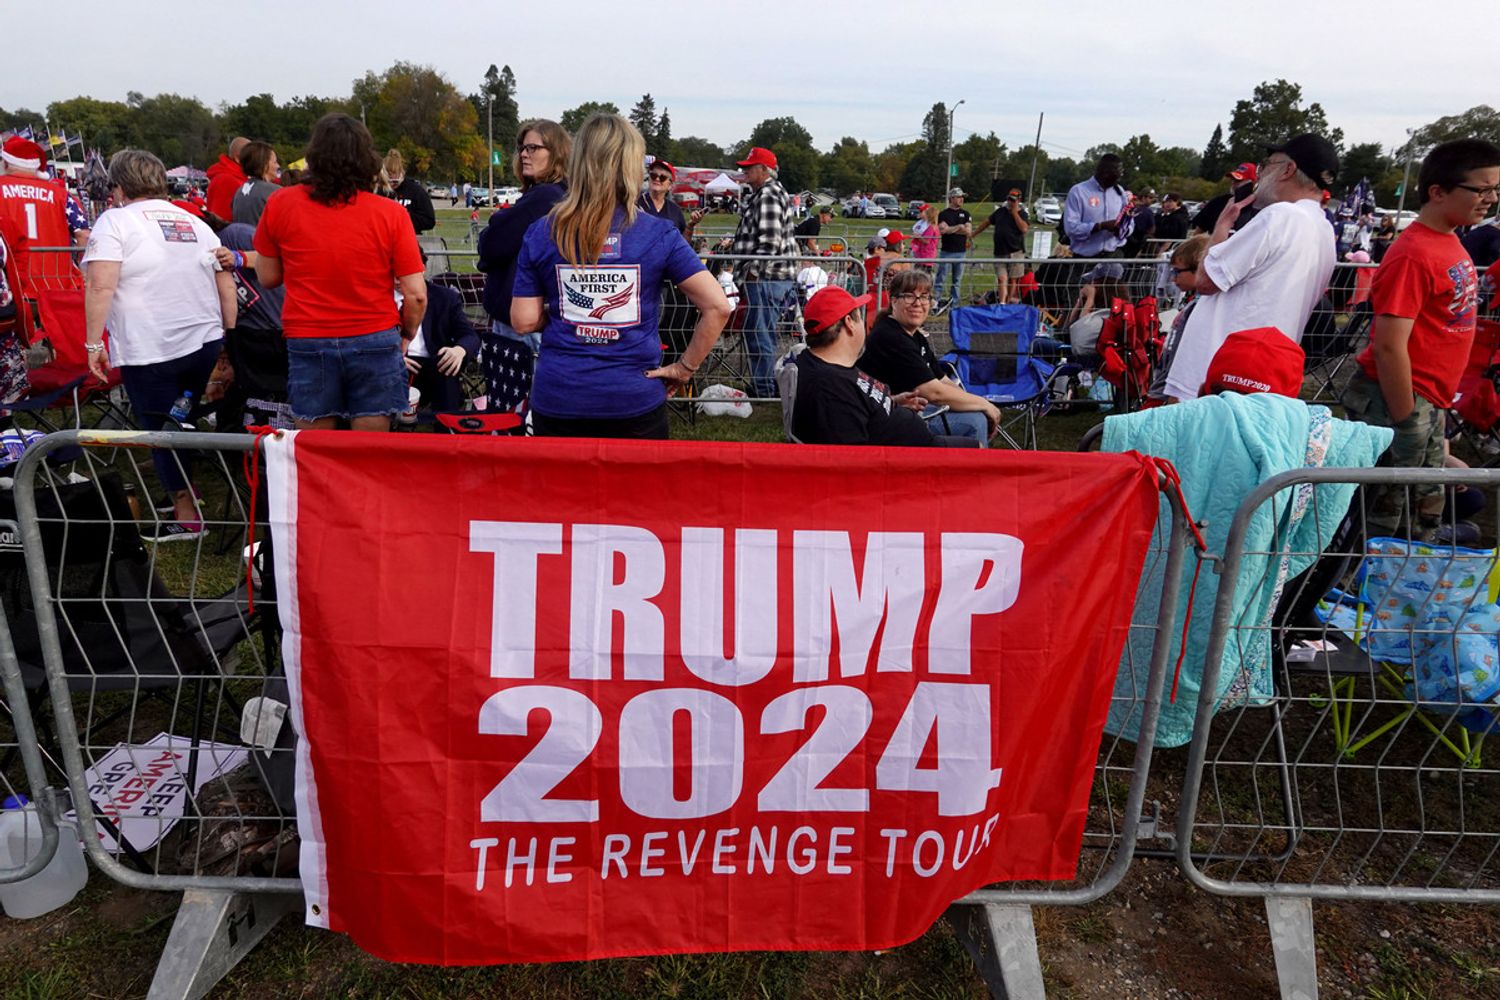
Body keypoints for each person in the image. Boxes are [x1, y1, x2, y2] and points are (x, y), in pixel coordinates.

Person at [510, 113, 731, 440]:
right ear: (630, 167)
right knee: (638, 493)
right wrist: (684, 369)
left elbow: (523, 320)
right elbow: (718, 306)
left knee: (563, 493)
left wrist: (567, 314)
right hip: (633, 400)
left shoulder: (542, 232)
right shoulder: (659, 234)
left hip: (560, 398)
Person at [1342, 139, 1500, 538]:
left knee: (1424, 505)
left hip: (1429, 400)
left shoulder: (1451, 242)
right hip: (1400, 400)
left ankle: (1407, 572)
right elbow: (1389, 344)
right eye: (1481, 189)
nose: (1491, 199)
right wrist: (1406, 416)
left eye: (1496, 189)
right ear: (1438, 192)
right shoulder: (1413, 253)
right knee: (1385, 509)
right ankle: (1360, 585)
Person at [81, 149, 237, 541]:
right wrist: (227, 335)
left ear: (118, 187)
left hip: (153, 344)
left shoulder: (115, 221)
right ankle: (187, 490)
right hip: (201, 340)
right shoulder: (193, 221)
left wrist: (91, 343)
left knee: (159, 427)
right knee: (180, 415)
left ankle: (186, 514)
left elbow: (101, 284)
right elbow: (224, 282)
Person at [252, 113, 427, 431]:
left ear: (314, 157)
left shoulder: (280, 203)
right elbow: (416, 294)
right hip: (375, 335)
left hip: (308, 335)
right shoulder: (391, 213)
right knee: (369, 452)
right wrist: (407, 334)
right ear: (367, 160)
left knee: (317, 450)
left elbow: (267, 276)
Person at [1161, 134, 1340, 401]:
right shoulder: (1323, 228)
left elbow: (1206, 282)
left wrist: (1221, 227)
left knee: (1189, 440)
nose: (1261, 174)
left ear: (1288, 170)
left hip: (1218, 365)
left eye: (1267, 165)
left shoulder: (1279, 216)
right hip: (1263, 369)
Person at [791, 285, 969, 447]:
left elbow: (857, 406)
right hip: (913, 458)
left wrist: (893, 401)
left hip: (904, 427)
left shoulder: (830, 366)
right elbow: (852, 461)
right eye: (860, 317)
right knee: (976, 437)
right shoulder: (829, 387)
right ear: (849, 323)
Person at [476, 119, 571, 411]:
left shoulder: (545, 196)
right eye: (522, 148)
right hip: (529, 317)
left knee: (517, 410)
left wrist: (495, 223)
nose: (524, 154)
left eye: (533, 147)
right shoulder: (554, 194)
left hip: (524, 322)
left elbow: (491, 246)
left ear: (555, 152)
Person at [859, 268, 1000, 445]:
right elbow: (934, 392)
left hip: (912, 409)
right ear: (894, 301)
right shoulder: (890, 337)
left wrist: (974, 402)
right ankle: (973, 470)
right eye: (909, 296)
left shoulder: (914, 335)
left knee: (974, 412)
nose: (918, 303)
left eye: (924, 296)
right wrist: (985, 404)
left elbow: (942, 380)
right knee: (974, 422)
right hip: (890, 418)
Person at [729, 145, 799, 398]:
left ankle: (765, 388)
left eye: (749, 168)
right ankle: (763, 384)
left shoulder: (768, 195)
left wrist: (752, 273)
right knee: (758, 331)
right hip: (770, 276)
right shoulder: (767, 193)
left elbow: (770, 242)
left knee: (760, 333)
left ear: (764, 170)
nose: (744, 172)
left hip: (767, 277)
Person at [0, 136, 91, 292]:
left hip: (12, 287)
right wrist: (84, 273)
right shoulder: (61, 194)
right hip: (56, 285)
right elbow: (83, 234)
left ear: (6, 163)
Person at [404, 270, 480, 414]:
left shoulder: (445, 297)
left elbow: (470, 335)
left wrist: (459, 350)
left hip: (435, 362)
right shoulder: (378, 297)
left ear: (421, 269)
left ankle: (448, 428)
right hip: (394, 362)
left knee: (447, 365)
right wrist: (390, 357)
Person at [1146, 234, 1211, 403]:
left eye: (1177, 271)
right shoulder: (1192, 304)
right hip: (1164, 386)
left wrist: (1174, 395)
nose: (1173, 278)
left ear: (1199, 268)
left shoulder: (1202, 309)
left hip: (1173, 393)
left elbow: (1188, 356)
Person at [1063, 154, 1129, 259]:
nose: (1122, 174)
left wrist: (1122, 229)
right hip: (1085, 259)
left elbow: (1130, 222)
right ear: (1105, 173)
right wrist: (1100, 226)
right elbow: (1071, 229)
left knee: (1116, 271)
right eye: (1119, 171)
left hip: (1114, 255)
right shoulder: (1078, 191)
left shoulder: (1120, 192)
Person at [972, 187, 1030, 303]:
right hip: (1000, 251)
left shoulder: (1022, 214)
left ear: (1019, 200)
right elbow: (986, 222)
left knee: (1013, 280)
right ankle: (1002, 302)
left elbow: (1024, 229)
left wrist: (1014, 213)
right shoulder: (1000, 211)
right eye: (1009, 199)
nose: (1010, 202)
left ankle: (1007, 302)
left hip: (1015, 252)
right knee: (1001, 278)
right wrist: (974, 234)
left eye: (1013, 200)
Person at [1192, 163, 1259, 235]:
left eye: (1238, 181)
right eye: (1233, 180)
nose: (1233, 183)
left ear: (1253, 183)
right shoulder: (1217, 203)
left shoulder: (1259, 206)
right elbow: (1198, 232)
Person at [934, 187, 972, 312]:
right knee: (941, 278)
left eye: (962, 197)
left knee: (957, 280)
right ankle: (936, 302)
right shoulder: (943, 214)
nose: (961, 199)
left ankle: (954, 304)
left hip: (961, 252)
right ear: (952, 198)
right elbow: (943, 230)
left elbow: (968, 231)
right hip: (946, 251)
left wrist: (953, 229)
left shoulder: (966, 214)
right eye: (959, 197)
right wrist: (959, 227)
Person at [639, 159, 700, 236]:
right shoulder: (635, 204)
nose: (657, 179)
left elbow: (682, 244)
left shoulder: (675, 211)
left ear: (670, 185)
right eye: (653, 175)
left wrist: (690, 226)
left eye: (662, 178)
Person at [383, 149, 435, 234]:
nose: (392, 179)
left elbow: (429, 221)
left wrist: (403, 215)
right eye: (388, 175)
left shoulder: (415, 191)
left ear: (402, 171)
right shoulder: (379, 192)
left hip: (409, 238)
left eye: (395, 173)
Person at [231, 140, 280, 226]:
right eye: (275, 162)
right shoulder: (275, 192)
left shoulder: (239, 191)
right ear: (264, 165)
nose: (278, 166)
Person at [206, 137, 249, 219]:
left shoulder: (237, 177)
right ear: (238, 159)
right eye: (252, 156)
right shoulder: (226, 180)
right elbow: (220, 220)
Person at [1122, 188, 1157, 258]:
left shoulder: (1128, 207)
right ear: (1143, 197)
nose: (1152, 200)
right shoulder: (1148, 211)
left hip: (1123, 240)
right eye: (1150, 198)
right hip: (1136, 243)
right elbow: (1152, 229)